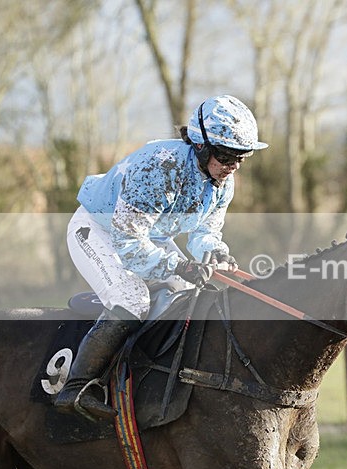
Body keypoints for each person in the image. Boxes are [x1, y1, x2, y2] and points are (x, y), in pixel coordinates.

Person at [55, 94, 267, 420]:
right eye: (227, 156)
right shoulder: (157, 169)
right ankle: (77, 388)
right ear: (200, 146)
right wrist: (182, 265)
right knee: (133, 298)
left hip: (149, 236)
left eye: (242, 157)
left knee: (186, 296)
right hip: (99, 232)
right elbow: (129, 246)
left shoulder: (223, 182)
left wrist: (215, 254)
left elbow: (205, 233)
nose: (234, 166)